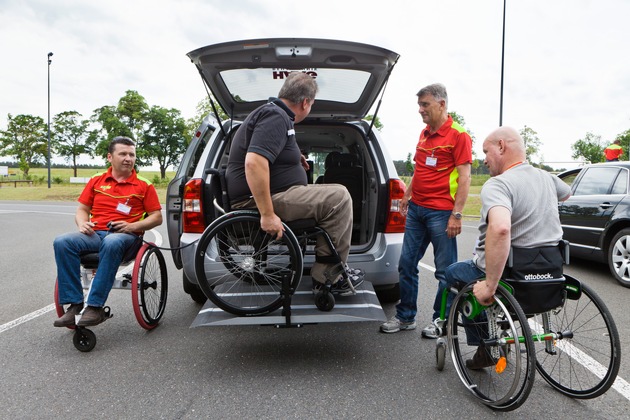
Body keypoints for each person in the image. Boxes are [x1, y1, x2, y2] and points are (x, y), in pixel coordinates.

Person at [443, 126, 571, 369]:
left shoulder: (498, 185)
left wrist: (490, 285)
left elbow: (501, 228)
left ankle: (481, 343)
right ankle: (498, 327)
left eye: (486, 151)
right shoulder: (547, 178)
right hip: (548, 269)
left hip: (510, 272)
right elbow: (567, 193)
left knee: (455, 274)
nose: (483, 159)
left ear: (501, 146)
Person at [225, 72, 364, 293]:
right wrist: (267, 214)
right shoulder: (276, 116)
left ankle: (330, 269)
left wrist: (293, 157)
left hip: (273, 194)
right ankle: (328, 276)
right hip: (255, 202)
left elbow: (266, 151)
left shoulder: (275, 114)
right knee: (339, 197)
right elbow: (253, 163)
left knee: (335, 193)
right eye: (312, 105)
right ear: (305, 102)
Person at [380, 83, 472, 335]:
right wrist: (407, 195)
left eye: (425, 105)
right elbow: (419, 170)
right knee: (406, 264)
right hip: (417, 211)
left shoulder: (458, 135)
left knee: (445, 272)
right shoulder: (424, 134)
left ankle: (441, 321)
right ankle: (406, 317)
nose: (420, 110)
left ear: (441, 104)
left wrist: (457, 214)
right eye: (419, 105)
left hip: (442, 213)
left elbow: (465, 178)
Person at [53, 136, 163, 327]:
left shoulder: (144, 184)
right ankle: (75, 304)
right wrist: (82, 224)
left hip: (127, 237)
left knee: (112, 242)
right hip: (96, 234)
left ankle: (95, 307)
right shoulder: (97, 180)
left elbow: (156, 217)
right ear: (110, 157)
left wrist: (132, 226)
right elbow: (82, 209)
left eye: (132, 154)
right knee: (62, 242)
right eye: (123, 154)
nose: (128, 158)